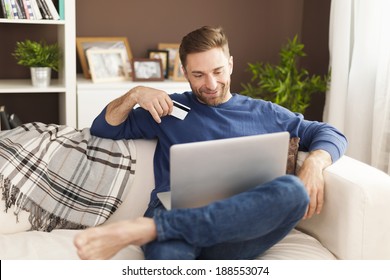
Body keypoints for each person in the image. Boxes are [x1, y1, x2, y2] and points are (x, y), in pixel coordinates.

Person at [74, 26, 347, 260]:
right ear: (184, 71)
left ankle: (153, 228)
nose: (211, 83)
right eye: (198, 75)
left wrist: (315, 161)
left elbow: (329, 133)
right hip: (175, 220)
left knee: (293, 191)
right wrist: (134, 94)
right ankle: (162, 228)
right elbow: (104, 128)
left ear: (230, 64)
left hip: (237, 226)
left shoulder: (264, 112)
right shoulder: (167, 108)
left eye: (218, 70)